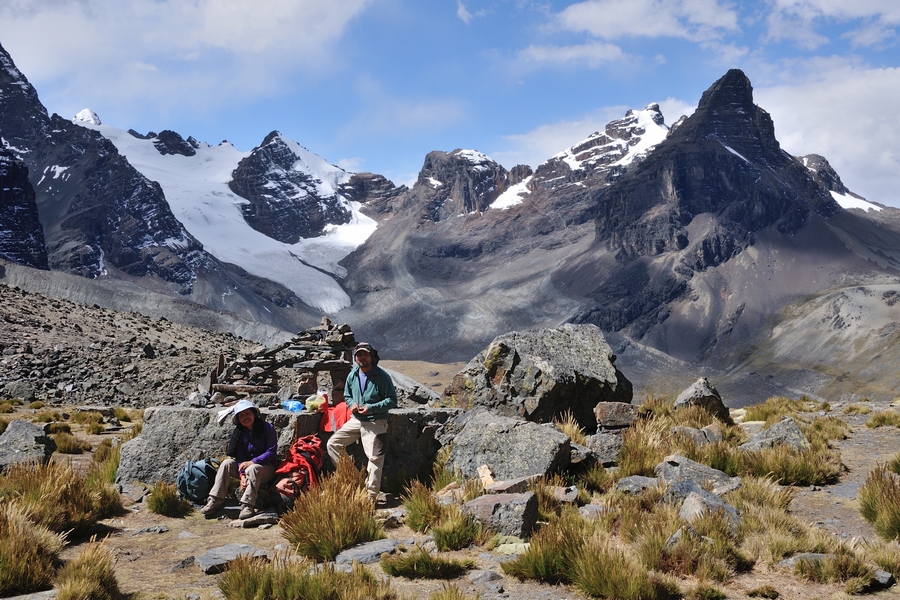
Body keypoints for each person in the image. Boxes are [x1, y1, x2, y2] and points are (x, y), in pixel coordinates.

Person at [326, 342, 397, 502]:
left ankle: (370, 496)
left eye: (365, 354)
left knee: (375, 457)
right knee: (333, 444)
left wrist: (371, 408)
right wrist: (352, 404)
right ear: (355, 357)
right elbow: (347, 395)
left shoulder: (382, 376)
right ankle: (355, 479)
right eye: (359, 354)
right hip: (356, 419)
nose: (362, 357)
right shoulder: (353, 375)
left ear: (371, 356)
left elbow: (392, 400)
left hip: (375, 420)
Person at [201, 399, 278, 519]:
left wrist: (253, 462)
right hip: (246, 468)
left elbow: (271, 452)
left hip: (265, 468)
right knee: (227, 463)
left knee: (253, 468)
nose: (245, 417)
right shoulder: (240, 433)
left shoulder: (267, 428)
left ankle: (247, 505)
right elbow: (240, 457)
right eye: (241, 415)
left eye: (247, 413)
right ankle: (216, 498)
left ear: (254, 414)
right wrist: (242, 475)